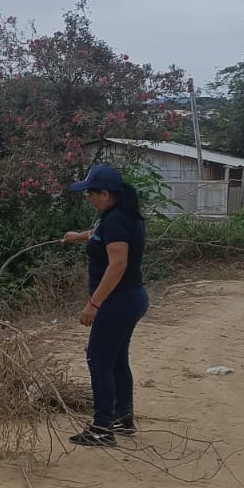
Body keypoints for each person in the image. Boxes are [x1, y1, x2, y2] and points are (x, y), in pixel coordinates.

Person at [62, 163, 149, 447]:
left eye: (90, 193)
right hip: (131, 298)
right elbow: (100, 234)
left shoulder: (116, 220)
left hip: (117, 301)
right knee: (116, 358)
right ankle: (122, 417)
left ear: (105, 194)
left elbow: (118, 264)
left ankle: (101, 427)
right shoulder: (117, 216)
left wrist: (93, 304)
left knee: (98, 359)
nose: (88, 198)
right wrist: (79, 236)